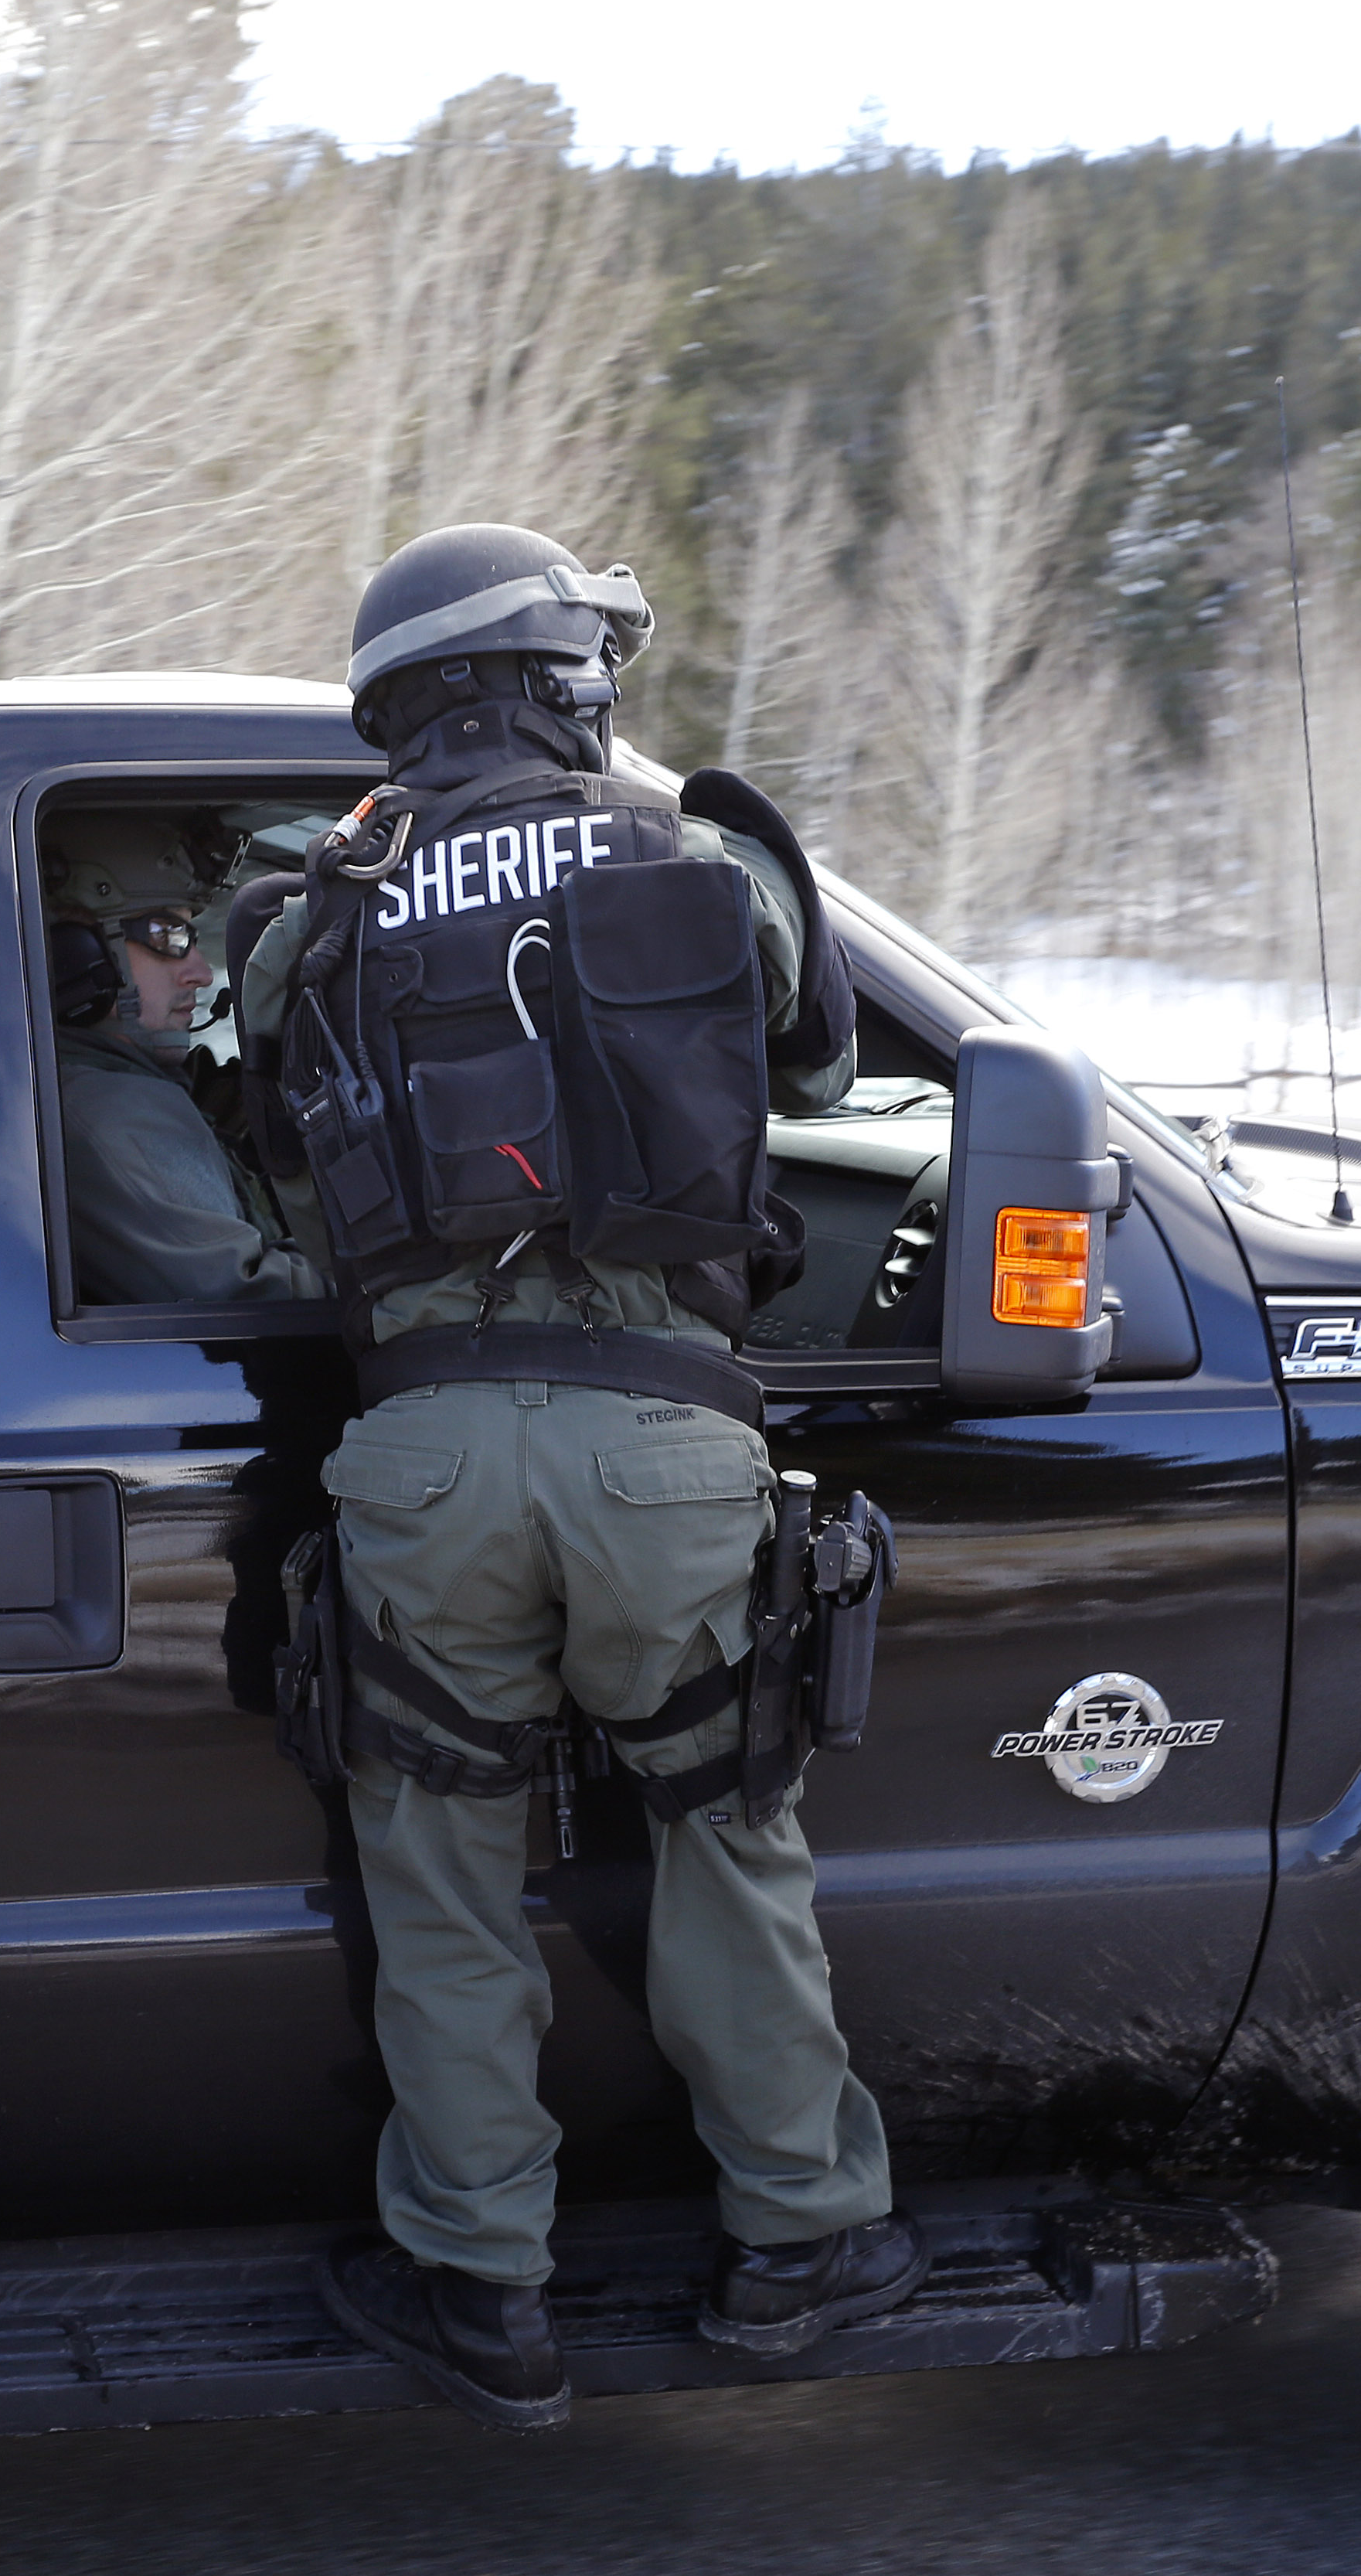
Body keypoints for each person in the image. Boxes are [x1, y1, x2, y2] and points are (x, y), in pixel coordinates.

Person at [235, 521, 918, 2430]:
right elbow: (813, 1056)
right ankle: (800, 2240)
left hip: (424, 1442)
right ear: (559, 685)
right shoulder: (688, 858)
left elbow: (276, 1151)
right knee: (721, 1832)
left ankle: (484, 2290)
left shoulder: (320, 905)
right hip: (660, 1440)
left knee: (440, 1870)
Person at [46, 809, 326, 1307]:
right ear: (76, 953)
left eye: (192, 938)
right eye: (168, 938)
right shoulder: (109, 1110)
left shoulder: (98, 1084)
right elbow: (252, 1296)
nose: (198, 972)